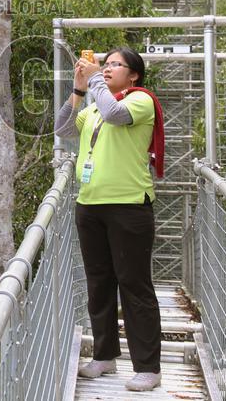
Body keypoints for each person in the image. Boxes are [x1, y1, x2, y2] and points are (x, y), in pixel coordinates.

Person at [54, 47, 165, 392]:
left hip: (129, 207)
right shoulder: (94, 108)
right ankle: (104, 356)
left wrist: (96, 78)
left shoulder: (140, 101)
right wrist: (78, 89)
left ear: (133, 75)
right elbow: (62, 129)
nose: (109, 69)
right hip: (90, 205)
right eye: (108, 64)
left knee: (134, 285)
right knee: (99, 284)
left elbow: (115, 113)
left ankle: (147, 366)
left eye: (116, 65)